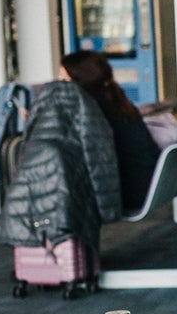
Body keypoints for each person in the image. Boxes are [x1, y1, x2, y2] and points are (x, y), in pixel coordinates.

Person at [60, 49, 160, 209]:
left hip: (125, 194)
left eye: (64, 77)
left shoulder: (92, 109)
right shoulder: (118, 102)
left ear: (79, 79)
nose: (60, 82)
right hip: (146, 183)